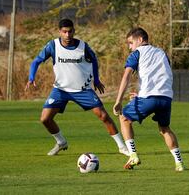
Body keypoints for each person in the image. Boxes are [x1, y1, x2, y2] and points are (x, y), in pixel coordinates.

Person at [25, 18, 129, 156]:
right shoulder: (53, 46)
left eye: (70, 31)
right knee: (45, 119)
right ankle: (61, 142)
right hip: (61, 89)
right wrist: (31, 77)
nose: (67, 35)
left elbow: (94, 60)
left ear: (74, 31)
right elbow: (36, 61)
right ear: (59, 32)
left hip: (82, 90)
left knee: (104, 116)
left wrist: (96, 80)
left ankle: (122, 147)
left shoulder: (83, 46)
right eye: (64, 32)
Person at [113, 27, 184, 171]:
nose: (130, 47)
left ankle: (133, 155)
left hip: (149, 97)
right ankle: (179, 163)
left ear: (140, 40)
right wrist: (142, 94)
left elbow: (126, 76)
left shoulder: (137, 53)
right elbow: (161, 75)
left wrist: (118, 101)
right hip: (166, 98)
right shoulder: (162, 53)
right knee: (164, 129)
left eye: (130, 43)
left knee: (124, 117)